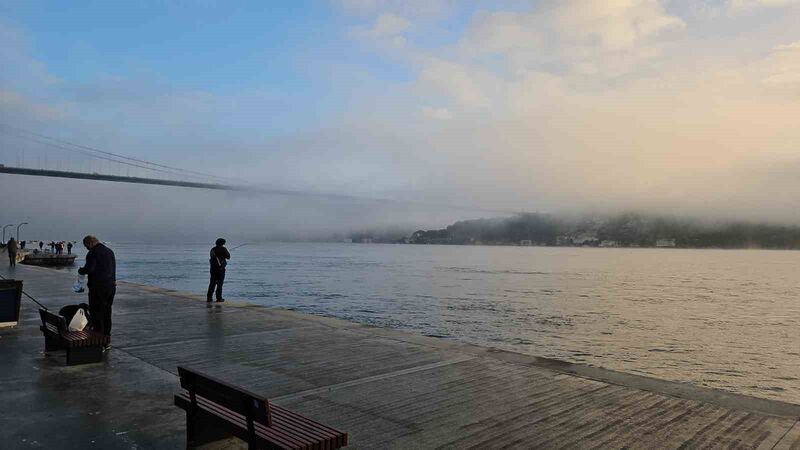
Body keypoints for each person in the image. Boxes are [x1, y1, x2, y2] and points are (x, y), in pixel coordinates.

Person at [78, 235, 116, 349]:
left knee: (96, 314)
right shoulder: (110, 251)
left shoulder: (93, 253)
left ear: (90, 243)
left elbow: (90, 269)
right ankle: (107, 340)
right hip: (110, 287)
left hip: (98, 288)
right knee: (107, 313)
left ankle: (99, 340)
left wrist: (81, 270)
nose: (86, 249)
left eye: (86, 246)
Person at [207, 238, 230, 303]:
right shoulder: (224, 249)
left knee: (212, 283)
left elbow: (212, 258)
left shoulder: (213, 249)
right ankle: (219, 298)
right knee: (220, 284)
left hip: (213, 269)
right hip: (221, 269)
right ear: (223, 243)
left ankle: (209, 298)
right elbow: (228, 257)